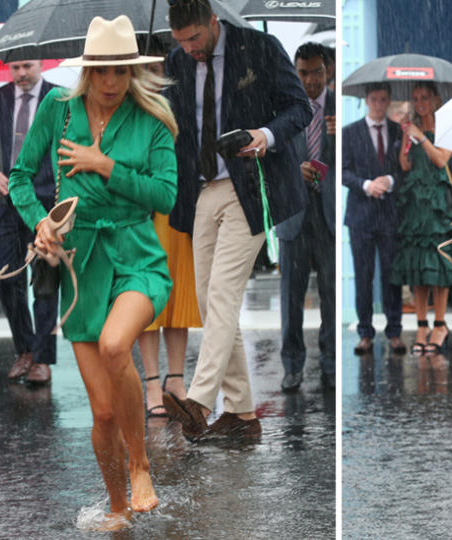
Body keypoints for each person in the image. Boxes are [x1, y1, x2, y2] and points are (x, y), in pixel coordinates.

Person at [7, 15, 176, 530]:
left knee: (114, 345)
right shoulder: (57, 111)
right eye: (101, 71)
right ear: (87, 71)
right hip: (80, 267)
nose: (110, 83)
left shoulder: (152, 122)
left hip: (138, 257)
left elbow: (165, 195)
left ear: (132, 72)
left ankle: (141, 465)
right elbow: (19, 178)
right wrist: (40, 224)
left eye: (120, 72)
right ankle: (118, 507)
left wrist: (105, 166)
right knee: (102, 414)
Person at [162, 0, 310, 441]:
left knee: (223, 294)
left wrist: (264, 136)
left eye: (194, 38)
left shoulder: (260, 47)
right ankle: (243, 416)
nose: (188, 48)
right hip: (202, 191)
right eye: (180, 41)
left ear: (213, 22)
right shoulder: (175, 60)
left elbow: (298, 109)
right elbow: (175, 125)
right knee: (211, 304)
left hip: (253, 186)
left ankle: (200, 400)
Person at [0, 58, 59, 384]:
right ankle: (24, 349)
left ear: (40, 65)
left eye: (27, 66)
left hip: (43, 202)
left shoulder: (58, 98)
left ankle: (42, 359)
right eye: (15, 68)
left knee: (46, 281)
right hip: (4, 201)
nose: (21, 74)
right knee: (4, 277)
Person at [136, 60, 200, 420]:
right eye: (150, 69)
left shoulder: (182, 104)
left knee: (178, 298)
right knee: (147, 298)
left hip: (178, 208)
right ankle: (151, 382)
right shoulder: (130, 109)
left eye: (162, 68)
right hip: (143, 211)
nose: (157, 76)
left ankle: (176, 379)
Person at [275, 42, 336, 392]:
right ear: (295, 73)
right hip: (293, 213)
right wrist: (292, 168)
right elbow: (271, 155)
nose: (310, 80)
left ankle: (329, 363)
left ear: (327, 71)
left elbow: (350, 165)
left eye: (317, 72)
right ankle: (292, 365)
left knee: (329, 295)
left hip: (326, 213)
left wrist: (334, 140)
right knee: (291, 297)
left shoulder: (339, 112)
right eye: (303, 73)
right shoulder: (284, 106)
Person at [390, 81, 452, 356]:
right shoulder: (410, 128)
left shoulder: (446, 126)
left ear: (435, 99)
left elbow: (442, 160)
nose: (420, 103)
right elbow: (404, 164)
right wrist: (408, 137)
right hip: (415, 203)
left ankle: (440, 324)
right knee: (418, 267)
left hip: (438, 204)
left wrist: (422, 136)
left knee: (439, 265)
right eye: (416, 98)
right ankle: (420, 325)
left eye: (425, 98)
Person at [342, 83, 405, 356]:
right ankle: (365, 332)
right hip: (361, 215)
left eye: (383, 100)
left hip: (389, 215)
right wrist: (367, 185)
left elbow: (405, 171)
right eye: (374, 100)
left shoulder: (397, 131)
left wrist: (389, 180)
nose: (379, 104)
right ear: (366, 101)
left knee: (392, 275)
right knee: (363, 277)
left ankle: (394, 331)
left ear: (388, 101)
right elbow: (343, 171)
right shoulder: (349, 133)